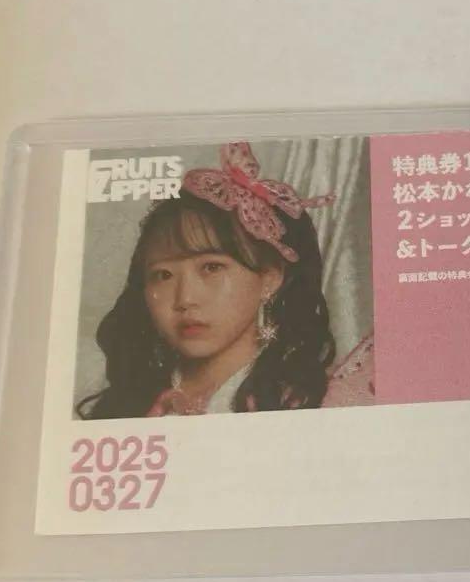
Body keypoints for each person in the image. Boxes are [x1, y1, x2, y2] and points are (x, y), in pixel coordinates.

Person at [76, 141, 372, 419]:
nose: (185, 298)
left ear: (270, 278)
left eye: (211, 268)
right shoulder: (129, 401)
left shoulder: (310, 404)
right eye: (163, 275)